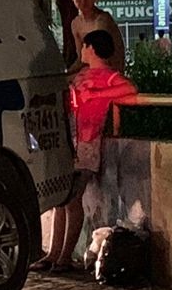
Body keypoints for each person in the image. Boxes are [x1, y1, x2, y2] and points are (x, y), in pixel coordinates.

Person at [35, 29, 137, 273]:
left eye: (84, 46)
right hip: (69, 142)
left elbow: (130, 91)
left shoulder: (108, 77)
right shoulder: (81, 75)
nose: (81, 51)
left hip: (86, 144)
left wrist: (95, 95)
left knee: (71, 199)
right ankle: (54, 254)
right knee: (61, 199)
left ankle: (64, 256)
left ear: (91, 48)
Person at [69, 0, 126, 74]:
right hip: (91, 69)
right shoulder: (75, 24)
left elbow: (100, 58)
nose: (83, 0)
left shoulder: (102, 20)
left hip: (108, 71)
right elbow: (81, 59)